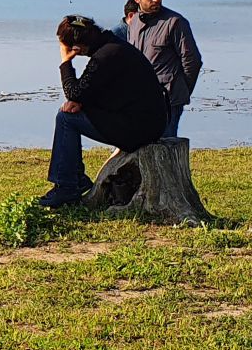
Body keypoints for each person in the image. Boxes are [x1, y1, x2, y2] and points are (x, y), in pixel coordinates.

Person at [38, 15, 168, 208]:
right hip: (149, 122)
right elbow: (93, 91)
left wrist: (65, 63)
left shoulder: (105, 57)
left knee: (66, 118)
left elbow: (74, 92)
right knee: (70, 113)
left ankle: (67, 186)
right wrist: (81, 102)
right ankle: (75, 179)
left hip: (139, 129)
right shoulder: (113, 47)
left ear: (77, 48)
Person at [128, 0, 203, 138]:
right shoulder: (133, 23)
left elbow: (193, 61)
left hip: (168, 101)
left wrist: (181, 89)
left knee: (165, 150)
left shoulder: (175, 22)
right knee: (143, 149)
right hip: (141, 100)